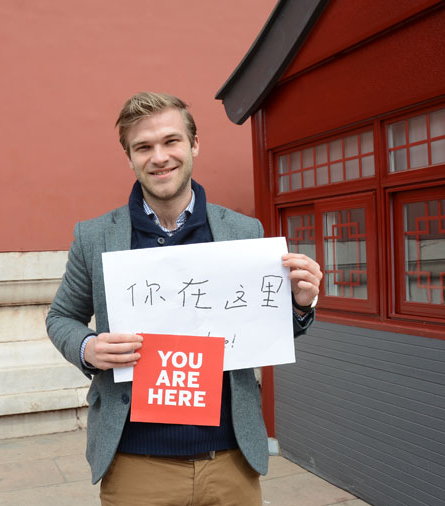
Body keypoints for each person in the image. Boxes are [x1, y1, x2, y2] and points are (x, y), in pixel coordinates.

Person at [46, 92, 322, 506]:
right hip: (136, 465)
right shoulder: (95, 236)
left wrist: (300, 305)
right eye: (143, 147)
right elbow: (61, 317)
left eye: (171, 141)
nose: (159, 157)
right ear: (129, 157)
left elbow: (264, 331)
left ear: (194, 145)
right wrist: (88, 348)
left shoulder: (243, 232)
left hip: (230, 462)